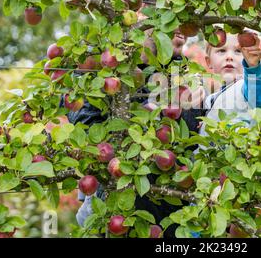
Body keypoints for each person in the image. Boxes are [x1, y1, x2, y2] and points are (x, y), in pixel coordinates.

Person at [69, 30, 205, 238]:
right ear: (143, 15)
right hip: (115, 207)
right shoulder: (102, 63)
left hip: (170, 214)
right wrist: (153, 109)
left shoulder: (182, 72)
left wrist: (189, 107)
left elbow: (187, 144)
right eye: (171, 18)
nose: (184, 30)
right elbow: (88, 130)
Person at [199, 32, 261, 138]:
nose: (229, 57)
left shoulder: (246, 87)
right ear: (208, 61)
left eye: (238, 51)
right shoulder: (210, 100)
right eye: (222, 50)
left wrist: (254, 67)